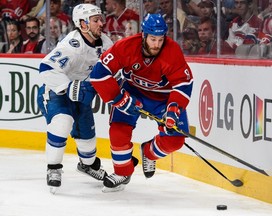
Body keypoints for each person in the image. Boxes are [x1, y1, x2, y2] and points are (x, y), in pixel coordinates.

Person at [89, 13, 193, 191]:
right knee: (118, 129)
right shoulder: (126, 46)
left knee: (175, 140)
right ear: (143, 35)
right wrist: (119, 99)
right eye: (153, 39)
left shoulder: (172, 51)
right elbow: (99, 74)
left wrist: (173, 109)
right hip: (133, 92)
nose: (157, 44)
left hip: (164, 99)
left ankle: (149, 153)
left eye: (160, 39)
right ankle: (122, 172)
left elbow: (184, 84)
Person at [37, 3, 113, 192]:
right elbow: (46, 68)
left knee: (88, 146)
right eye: (95, 20)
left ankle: (86, 165)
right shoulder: (72, 45)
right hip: (57, 92)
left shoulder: (106, 43)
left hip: (81, 95)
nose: (101, 23)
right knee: (62, 122)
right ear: (83, 24)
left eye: (100, 19)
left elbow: (113, 71)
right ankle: (53, 168)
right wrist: (69, 86)